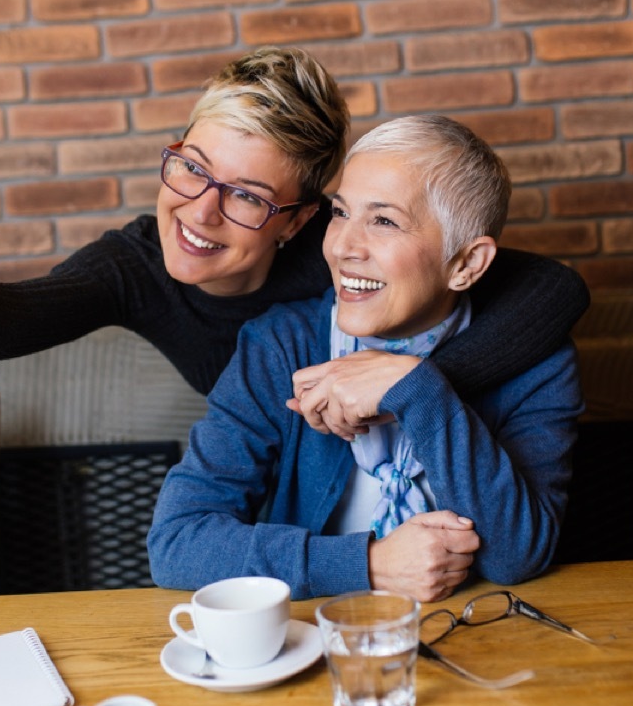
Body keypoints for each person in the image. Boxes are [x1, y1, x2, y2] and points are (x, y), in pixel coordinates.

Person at [0, 46, 587, 418]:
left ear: (300, 219)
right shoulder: (135, 265)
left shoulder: (344, 250)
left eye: (244, 197)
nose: (198, 212)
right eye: (190, 167)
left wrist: (404, 391)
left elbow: (554, 290)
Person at [147, 115, 583, 602]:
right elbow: (177, 542)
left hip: (479, 627)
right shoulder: (280, 344)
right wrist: (368, 565)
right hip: (317, 636)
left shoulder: (539, 359)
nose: (342, 247)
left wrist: (420, 389)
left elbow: (515, 556)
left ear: (465, 264)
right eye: (340, 212)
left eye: (384, 221)